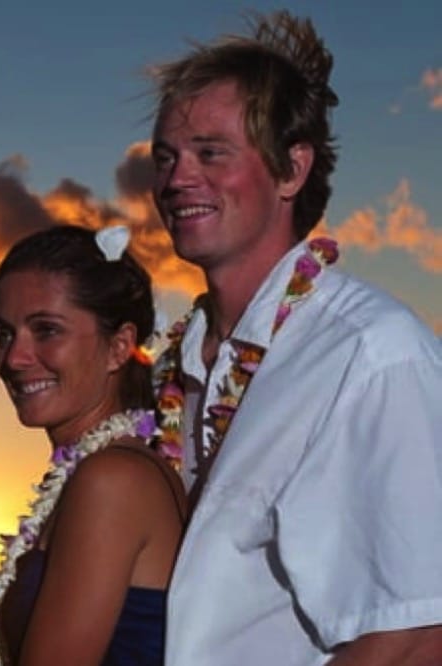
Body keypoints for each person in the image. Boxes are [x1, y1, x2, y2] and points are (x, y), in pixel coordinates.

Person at [147, 10, 442, 665]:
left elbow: (421, 632)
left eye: (210, 152)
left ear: (291, 169)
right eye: (165, 157)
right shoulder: (171, 369)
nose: (177, 178)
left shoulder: (372, 355)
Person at [0, 224, 188, 666]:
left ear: (119, 346)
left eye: (46, 330)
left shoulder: (114, 480)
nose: (14, 358)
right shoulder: (99, 471)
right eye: (4, 333)